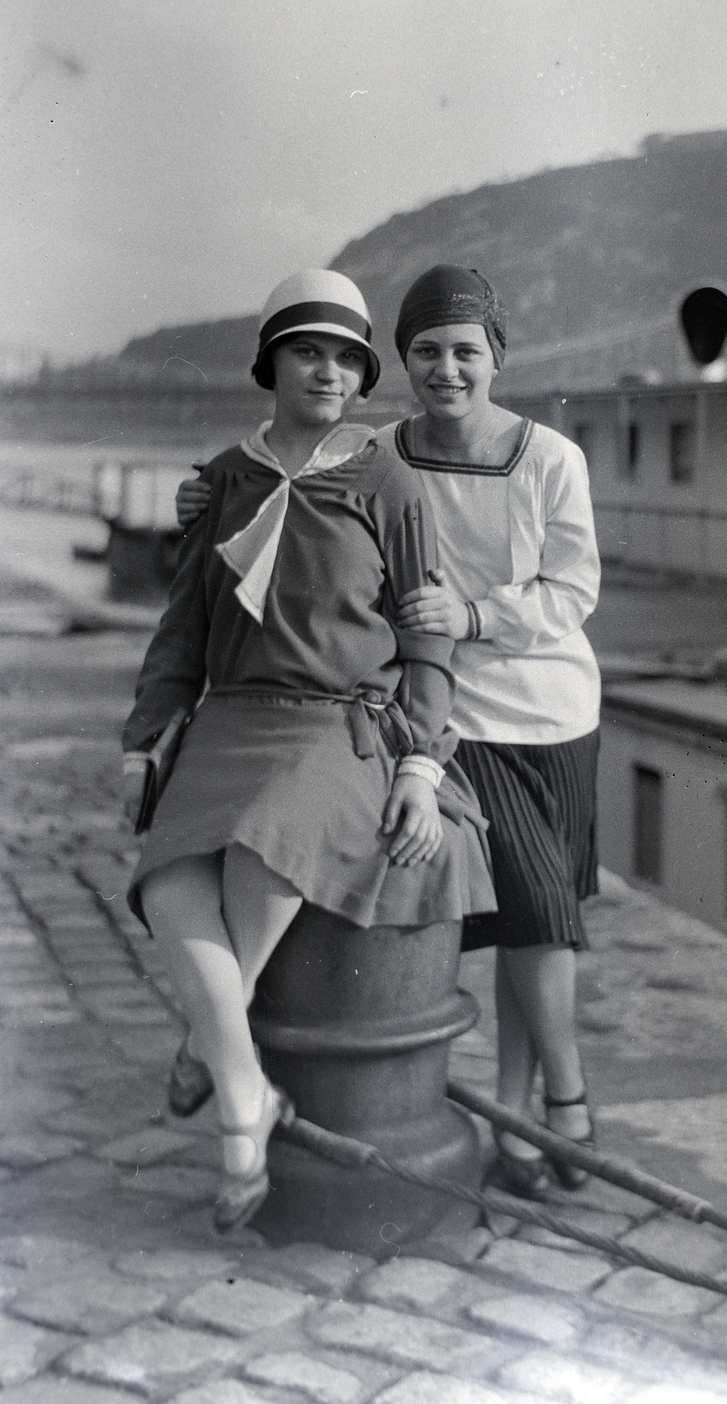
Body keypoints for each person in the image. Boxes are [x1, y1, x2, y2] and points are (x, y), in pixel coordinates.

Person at [178, 264, 601, 1199]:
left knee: (542, 920)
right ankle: (557, 1108)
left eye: (465, 352)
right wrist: (205, 501)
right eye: (424, 352)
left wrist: (472, 616)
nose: (446, 369)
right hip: (442, 715)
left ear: (497, 357)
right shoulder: (381, 454)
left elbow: (574, 591)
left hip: (547, 713)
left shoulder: (549, 460)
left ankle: (535, 1102)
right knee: (525, 916)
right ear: (400, 364)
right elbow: (294, 496)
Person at [124, 268, 494, 1233]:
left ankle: (225, 1078)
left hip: (337, 725)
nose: (327, 371)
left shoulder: (388, 480)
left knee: (262, 843)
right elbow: (179, 632)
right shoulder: (222, 481)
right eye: (307, 351)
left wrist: (420, 766)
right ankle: (239, 1077)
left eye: (346, 357)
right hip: (229, 719)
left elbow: (428, 640)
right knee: (165, 881)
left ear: (363, 375)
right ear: (272, 364)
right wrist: (144, 742)